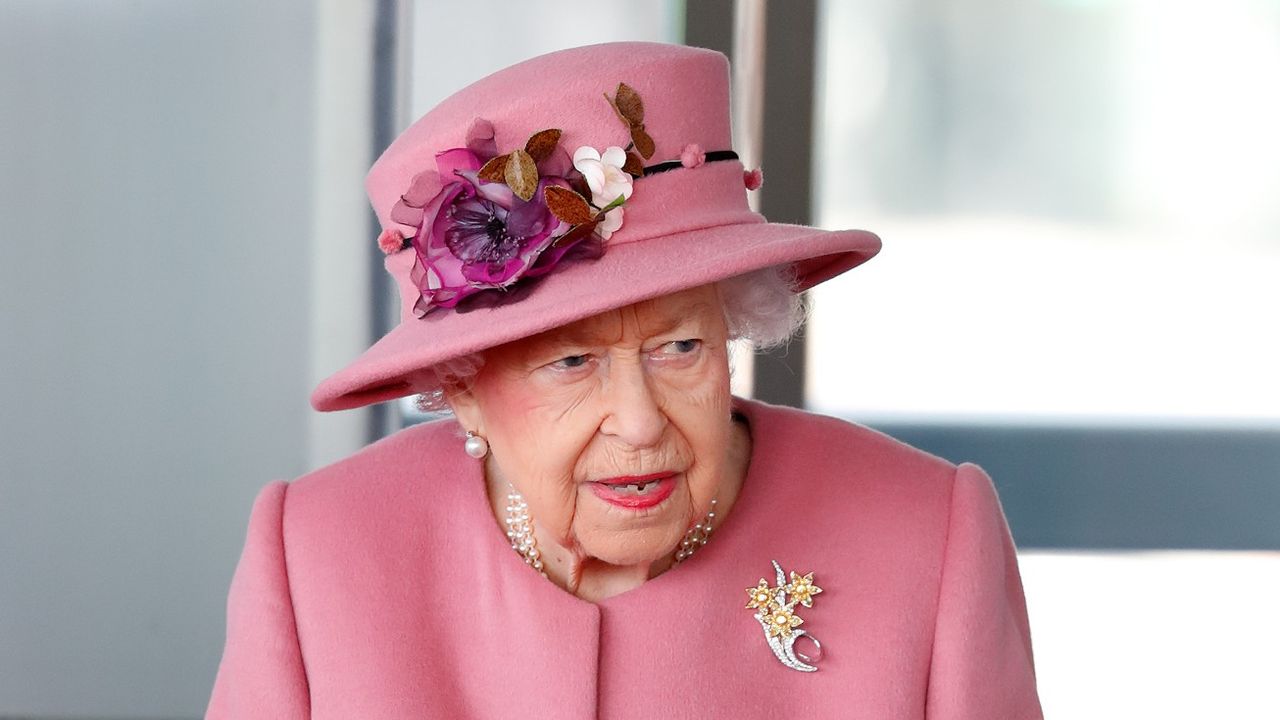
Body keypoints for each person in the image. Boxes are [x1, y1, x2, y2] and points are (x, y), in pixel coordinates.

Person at [205, 41, 1042, 719]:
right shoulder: (319, 556)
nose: (640, 423)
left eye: (680, 348)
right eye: (572, 362)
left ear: (734, 326)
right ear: (460, 387)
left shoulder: (926, 537)